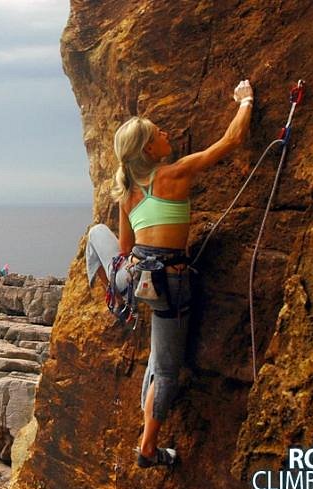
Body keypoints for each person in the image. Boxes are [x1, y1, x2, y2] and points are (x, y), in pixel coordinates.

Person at [85, 80, 254, 468]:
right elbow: (229, 142)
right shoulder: (174, 174)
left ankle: (117, 297)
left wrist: (125, 279)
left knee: (97, 233)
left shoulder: (127, 195)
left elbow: (124, 250)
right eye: (159, 133)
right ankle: (148, 448)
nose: (167, 134)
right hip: (170, 282)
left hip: (136, 277)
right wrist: (245, 101)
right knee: (166, 371)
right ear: (149, 149)